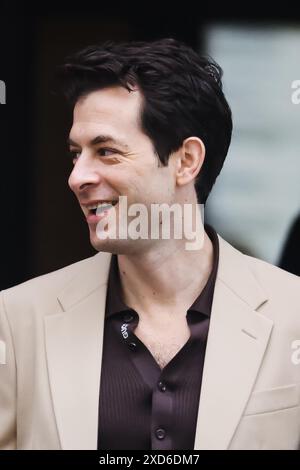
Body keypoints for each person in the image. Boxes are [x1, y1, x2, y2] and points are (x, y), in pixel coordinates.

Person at [0, 38, 299, 450]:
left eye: (106, 151)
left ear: (186, 161)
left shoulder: (293, 315)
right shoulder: (16, 319)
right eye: (75, 154)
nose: (77, 177)